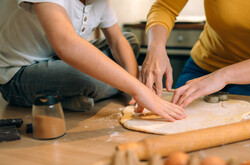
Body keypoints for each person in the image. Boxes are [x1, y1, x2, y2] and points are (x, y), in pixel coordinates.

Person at [0, 0, 185, 122]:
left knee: (129, 40)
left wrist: (135, 84)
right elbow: (67, 45)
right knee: (90, 76)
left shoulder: (99, 2)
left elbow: (118, 40)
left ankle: (73, 96)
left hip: (57, 61)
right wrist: (138, 88)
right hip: (18, 73)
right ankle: (83, 90)